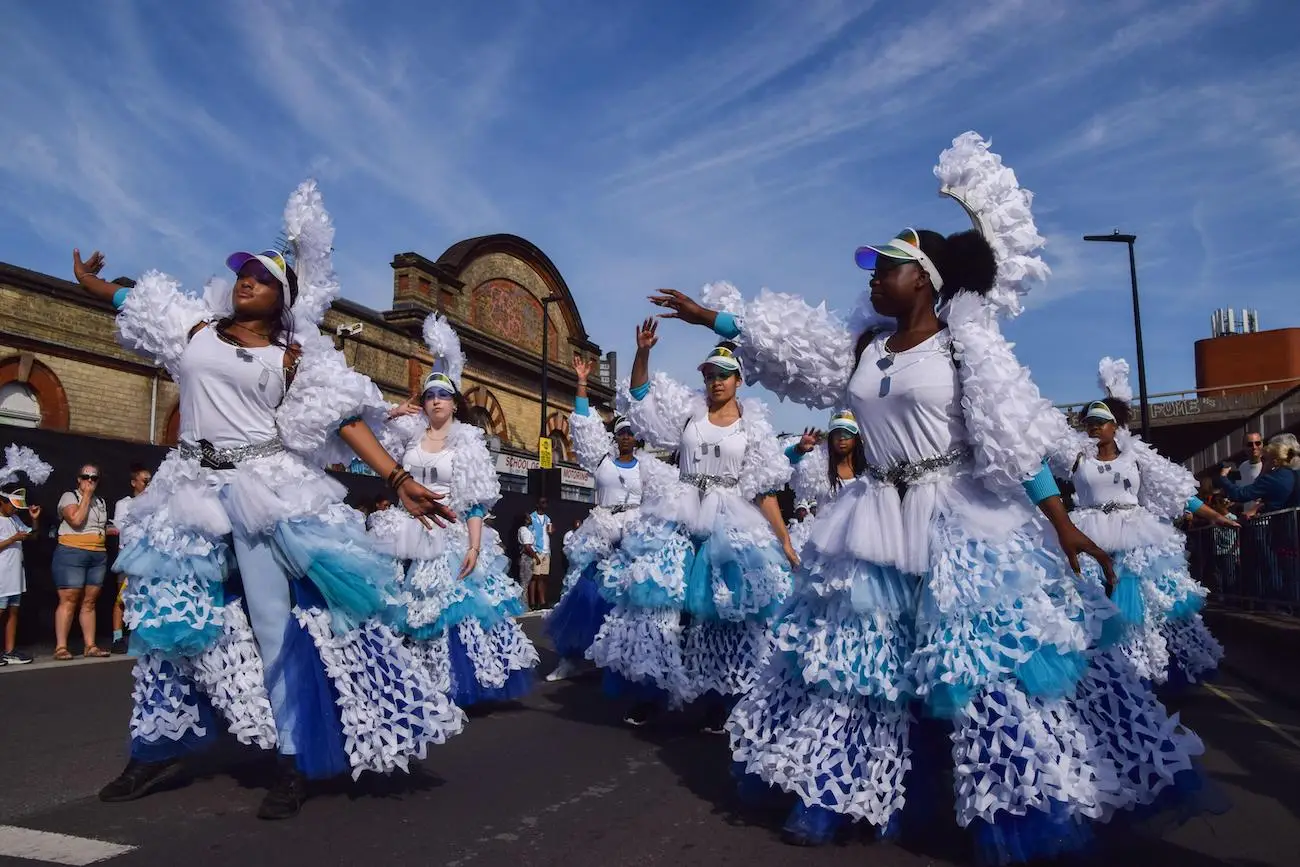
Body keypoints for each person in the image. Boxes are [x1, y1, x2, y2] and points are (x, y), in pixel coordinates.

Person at [651, 133, 1209, 860]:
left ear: (926, 279)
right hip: (874, 518)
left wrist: (1064, 526)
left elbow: (1010, 443)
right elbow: (792, 351)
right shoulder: (863, 347)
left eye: (888, 269)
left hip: (958, 518)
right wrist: (713, 319)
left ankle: (1017, 798)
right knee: (858, 663)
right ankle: (834, 788)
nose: (875, 280)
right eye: (875, 272)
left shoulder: (964, 347)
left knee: (980, 669)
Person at [67, 181, 464, 820]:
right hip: (188, 491)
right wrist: (91, 282)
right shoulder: (192, 331)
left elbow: (346, 423)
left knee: (275, 624)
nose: (247, 280)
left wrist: (397, 479)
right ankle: (156, 748)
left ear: (285, 298)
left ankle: (292, 757)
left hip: (260, 491)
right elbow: (131, 299)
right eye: (243, 273)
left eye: (263, 276)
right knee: (169, 625)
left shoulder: (294, 359)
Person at [590, 328, 795, 731]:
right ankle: (651, 693)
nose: (715, 381)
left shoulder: (752, 428)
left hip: (729, 519)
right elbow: (641, 398)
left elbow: (764, 490)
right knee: (660, 610)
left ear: (738, 380)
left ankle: (720, 701)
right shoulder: (689, 413)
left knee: (724, 615)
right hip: (679, 513)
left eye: (723, 374)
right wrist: (642, 353)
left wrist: (784, 540)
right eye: (709, 375)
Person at [372, 313, 538, 708]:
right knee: (398, 606)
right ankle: (404, 679)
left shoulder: (467, 443)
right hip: (402, 529)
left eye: (442, 396)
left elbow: (476, 501)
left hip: (446, 532)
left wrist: (475, 547)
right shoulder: (408, 436)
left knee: (447, 611)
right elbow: (368, 435)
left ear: (454, 403)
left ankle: (449, 679)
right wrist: (394, 413)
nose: (434, 402)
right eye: (429, 396)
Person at [1050, 358, 1229, 687]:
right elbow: (1032, 457)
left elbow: (1174, 490)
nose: (1093, 426)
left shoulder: (1136, 455)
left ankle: (1148, 672)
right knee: (1084, 603)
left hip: (1136, 532)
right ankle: (1098, 677)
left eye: (1101, 421)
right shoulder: (1073, 456)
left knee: (1146, 607)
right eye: (1088, 421)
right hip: (1089, 531)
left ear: (1115, 426)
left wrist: (1215, 515)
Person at [545, 355, 674, 682]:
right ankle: (570, 657)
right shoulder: (601, 461)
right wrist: (582, 384)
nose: (627, 437)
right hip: (601, 530)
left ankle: (622, 659)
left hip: (633, 533)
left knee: (627, 597)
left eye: (631, 432)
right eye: (621, 433)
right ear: (615, 437)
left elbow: (674, 486)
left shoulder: (647, 466)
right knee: (584, 592)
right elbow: (585, 424)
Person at [784, 409, 868, 554]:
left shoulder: (870, 471)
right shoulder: (818, 466)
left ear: (856, 437)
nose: (841, 438)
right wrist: (799, 449)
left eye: (847, 432)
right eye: (836, 433)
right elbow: (784, 463)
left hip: (859, 547)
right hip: (822, 548)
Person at [52, 463, 110, 660]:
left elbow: (99, 526)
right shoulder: (70, 497)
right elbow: (76, 520)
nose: (90, 481)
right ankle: (61, 646)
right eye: (86, 477)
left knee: (89, 602)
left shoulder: (100, 501)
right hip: (72, 553)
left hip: (97, 555)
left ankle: (90, 645)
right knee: (69, 599)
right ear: (79, 479)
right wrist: (85, 495)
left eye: (94, 478)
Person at [0, 445, 52, 666]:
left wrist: (34, 519)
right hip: (1, 577)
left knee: (13, 612)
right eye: (11, 505)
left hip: (14, 577)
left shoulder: (14, 519)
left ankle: (9, 651)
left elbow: (33, 536)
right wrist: (12, 540)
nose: (14, 509)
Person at [108, 463, 152, 654]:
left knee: (146, 597)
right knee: (122, 598)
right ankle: (117, 637)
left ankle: (141, 636)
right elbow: (122, 529)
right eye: (145, 481)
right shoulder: (124, 504)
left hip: (147, 558)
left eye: (150, 481)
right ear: (134, 482)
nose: (148, 485)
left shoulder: (154, 504)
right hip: (128, 557)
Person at [525, 498, 554, 610]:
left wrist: (552, 530)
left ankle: (542, 601)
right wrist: (533, 552)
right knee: (534, 578)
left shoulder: (547, 518)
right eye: (542, 502)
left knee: (543, 577)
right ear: (537, 504)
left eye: (546, 502)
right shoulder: (532, 517)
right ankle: (532, 602)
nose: (545, 504)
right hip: (536, 550)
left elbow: (549, 532)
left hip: (546, 551)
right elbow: (529, 534)